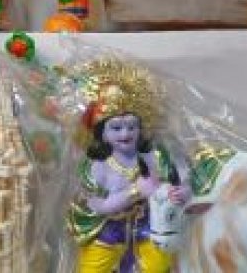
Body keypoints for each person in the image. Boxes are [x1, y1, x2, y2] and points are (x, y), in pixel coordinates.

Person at [67, 60, 191, 273]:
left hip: (150, 226)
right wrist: (135, 191)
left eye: (132, 127)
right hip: (109, 228)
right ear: (102, 133)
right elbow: (98, 206)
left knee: (158, 265)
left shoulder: (155, 155)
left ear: (141, 128)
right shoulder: (97, 166)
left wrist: (182, 192)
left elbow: (183, 179)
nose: (125, 133)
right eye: (116, 128)